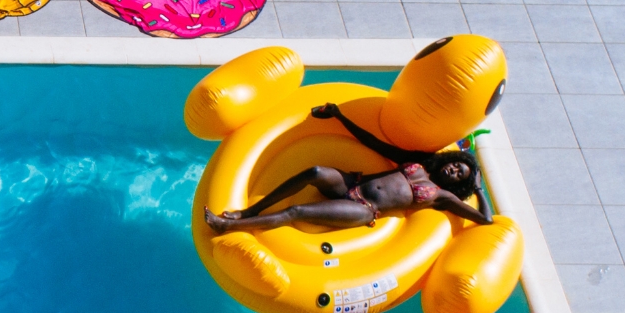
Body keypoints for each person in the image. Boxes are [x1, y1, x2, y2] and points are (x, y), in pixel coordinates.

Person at [204, 102, 492, 233]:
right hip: (351, 184)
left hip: (363, 208)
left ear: (458, 183)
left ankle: (230, 225)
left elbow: (485, 220)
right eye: (456, 166)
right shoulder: (415, 164)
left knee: (297, 212)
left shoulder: (442, 196)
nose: (454, 171)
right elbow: (374, 143)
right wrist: (340, 116)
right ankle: (252, 210)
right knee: (315, 172)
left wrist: (477, 185)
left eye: (459, 175)